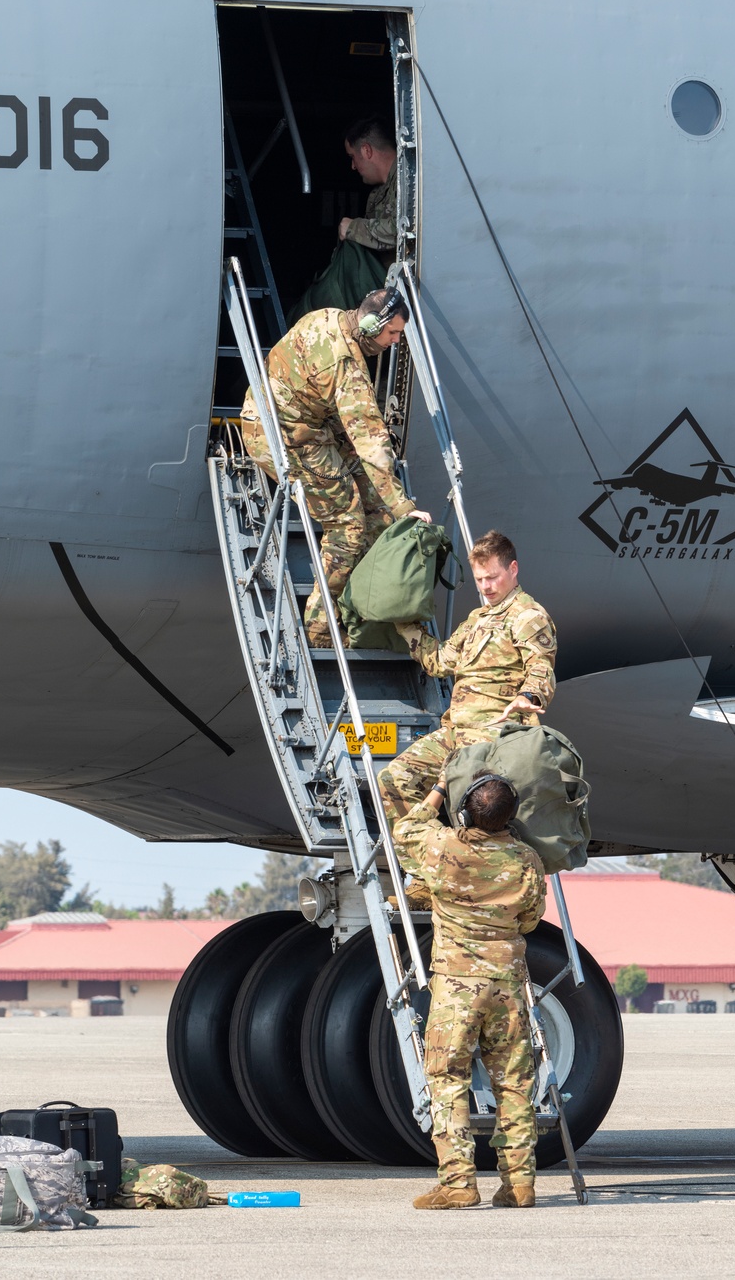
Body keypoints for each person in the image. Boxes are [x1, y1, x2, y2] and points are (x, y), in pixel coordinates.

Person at [240, 288, 430, 646]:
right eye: (392, 333)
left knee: (374, 503)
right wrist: (406, 508)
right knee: (348, 523)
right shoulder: (348, 368)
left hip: (289, 417)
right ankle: (320, 626)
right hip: (278, 435)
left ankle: (369, 601)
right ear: (373, 325)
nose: (395, 341)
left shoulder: (328, 317)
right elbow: (371, 444)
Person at [394, 769, 546, 1210]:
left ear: (464, 812)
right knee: (515, 1085)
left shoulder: (442, 847)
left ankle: (459, 1183)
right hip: (508, 987)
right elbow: (531, 921)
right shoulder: (526, 860)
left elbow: (406, 828)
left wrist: (439, 788)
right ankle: (519, 1185)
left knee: (447, 1080)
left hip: (457, 988)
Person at [378, 530, 556, 870]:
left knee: (469, 809)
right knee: (393, 779)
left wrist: (528, 696)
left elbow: (540, 665)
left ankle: (458, 877)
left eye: (493, 577)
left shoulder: (528, 616)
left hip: (490, 736)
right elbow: (441, 661)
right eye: (479, 580)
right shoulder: (478, 619)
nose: (486, 587)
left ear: (513, 569)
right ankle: (421, 872)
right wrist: (404, 623)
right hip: (454, 733)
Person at [338, 115, 397, 253]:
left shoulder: (411, 181)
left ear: (366, 151)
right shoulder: (378, 193)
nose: (353, 166)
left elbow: (404, 230)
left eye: (352, 157)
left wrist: (352, 228)